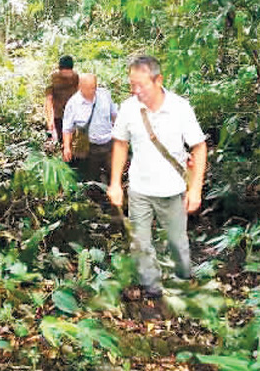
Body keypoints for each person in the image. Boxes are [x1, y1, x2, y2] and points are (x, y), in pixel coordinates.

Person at [108, 55, 207, 299]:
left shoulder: (180, 108)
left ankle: (184, 280)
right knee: (140, 244)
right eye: (132, 85)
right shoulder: (129, 108)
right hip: (140, 189)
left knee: (177, 242)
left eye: (142, 85)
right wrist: (115, 184)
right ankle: (152, 289)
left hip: (173, 190)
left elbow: (199, 147)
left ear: (158, 80)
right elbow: (120, 144)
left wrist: (195, 189)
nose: (136, 90)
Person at [62, 73, 117, 182]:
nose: (92, 91)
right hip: (90, 147)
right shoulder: (73, 103)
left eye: (94, 87)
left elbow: (114, 114)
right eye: (88, 88)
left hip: (109, 143)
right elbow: (67, 128)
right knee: (92, 178)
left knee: (115, 174)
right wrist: (67, 147)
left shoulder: (105, 95)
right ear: (79, 87)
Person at [45, 55, 79, 143]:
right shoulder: (53, 79)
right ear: (60, 69)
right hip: (59, 115)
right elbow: (48, 100)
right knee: (62, 140)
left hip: (74, 115)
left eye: (69, 72)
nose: (67, 75)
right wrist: (50, 120)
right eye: (64, 72)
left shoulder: (76, 77)